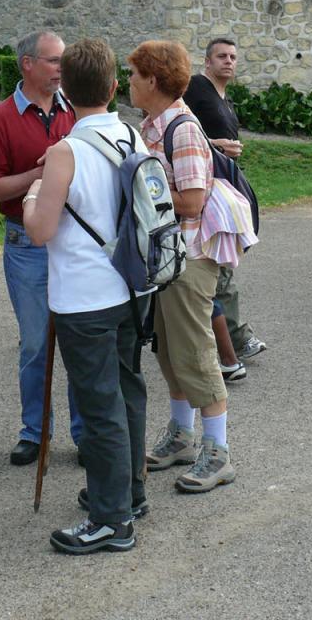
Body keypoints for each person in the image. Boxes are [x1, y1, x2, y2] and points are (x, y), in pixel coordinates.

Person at [22, 38, 148, 553]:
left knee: (99, 407)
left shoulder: (65, 151)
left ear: (65, 91)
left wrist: (32, 195)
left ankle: (111, 519)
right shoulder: (132, 137)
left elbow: (40, 230)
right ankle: (129, 491)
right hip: (129, 287)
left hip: (83, 296)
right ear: (115, 86)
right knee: (127, 391)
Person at [132, 40, 256, 493]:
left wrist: (141, 182)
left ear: (152, 79)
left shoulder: (180, 129)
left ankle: (217, 452)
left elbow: (191, 201)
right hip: (168, 256)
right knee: (168, 349)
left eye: (134, 75)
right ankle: (182, 436)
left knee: (195, 351)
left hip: (190, 255)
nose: (129, 83)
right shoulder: (153, 125)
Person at [0, 30, 82, 466]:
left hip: (71, 238)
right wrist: (39, 177)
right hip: (25, 243)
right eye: (55, 61)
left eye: (64, 61)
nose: (62, 69)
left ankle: (85, 434)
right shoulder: (0, 118)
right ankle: (35, 433)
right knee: (36, 342)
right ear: (28, 65)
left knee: (77, 338)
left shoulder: (74, 110)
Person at [183, 37, 268, 364]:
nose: (229, 61)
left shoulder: (224, 99)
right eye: (221, 56)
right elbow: (177, 123)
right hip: (201, 188)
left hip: (221, 190)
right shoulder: (196, 88)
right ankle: (235, 338)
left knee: (219, 262)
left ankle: (222, 337)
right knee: (220, 264)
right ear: (207, 62)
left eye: (233, 56)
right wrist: (214, 143)